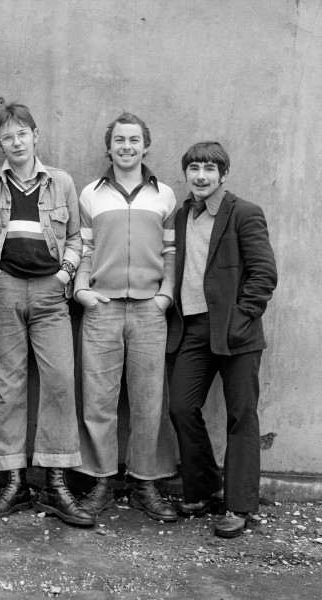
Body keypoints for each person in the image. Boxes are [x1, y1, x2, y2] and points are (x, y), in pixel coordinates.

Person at [0, 102, 94, 527]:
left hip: (50, 294)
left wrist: (65, 274)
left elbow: (78, 236)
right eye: (8, 136)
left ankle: (56, 484)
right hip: (3, 291)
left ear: (35, 135)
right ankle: (13, 482)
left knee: (60, 382)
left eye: (23, 133)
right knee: (5, 386)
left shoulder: (60, 181)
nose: (16, 141)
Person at [167, 141, 277, 538]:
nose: (201, 176)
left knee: (241, 417)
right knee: (181, 406)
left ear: (223, 174)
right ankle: (204, 489)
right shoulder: (183, 215)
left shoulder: (244, 212)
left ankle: (238, 506)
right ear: (186, 174)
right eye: (194, 168)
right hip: (193, 329)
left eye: (210, 169)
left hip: (236, 332)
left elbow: (264, 274)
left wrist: (241, 317)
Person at [73, 112, 178, 522]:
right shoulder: (91, 194)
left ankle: (144, 484)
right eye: (119, 140)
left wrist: (165, 296)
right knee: (98, 400)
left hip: (151, 311)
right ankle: (101, 480)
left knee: (149, 401)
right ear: (109, 146)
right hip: (102, 308)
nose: (127, 146)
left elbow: (170, 253)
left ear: (145, 146)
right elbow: (83, 248)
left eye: (134, 140)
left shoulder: (164, 195)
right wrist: (82, 290)